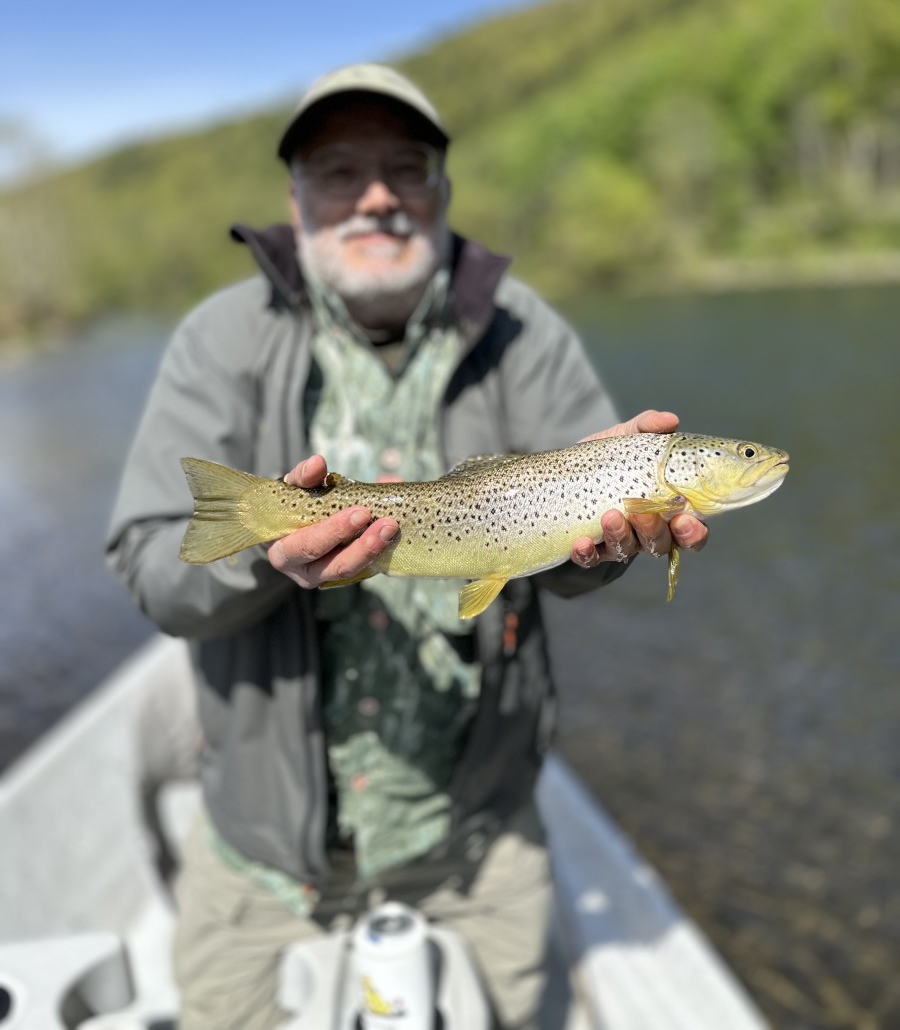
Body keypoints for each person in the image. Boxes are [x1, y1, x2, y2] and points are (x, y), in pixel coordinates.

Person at [106, 62, 708, 1030]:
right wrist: (264, 557)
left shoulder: (526, 335)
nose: (378, 194)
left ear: (442, 188)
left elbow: (579, 570)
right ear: (297, 197)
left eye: (406, 166)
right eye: (340, 169)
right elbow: (150, 567)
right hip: (262, 856)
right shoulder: (219, 338)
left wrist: (598, 542)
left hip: (478, 841)